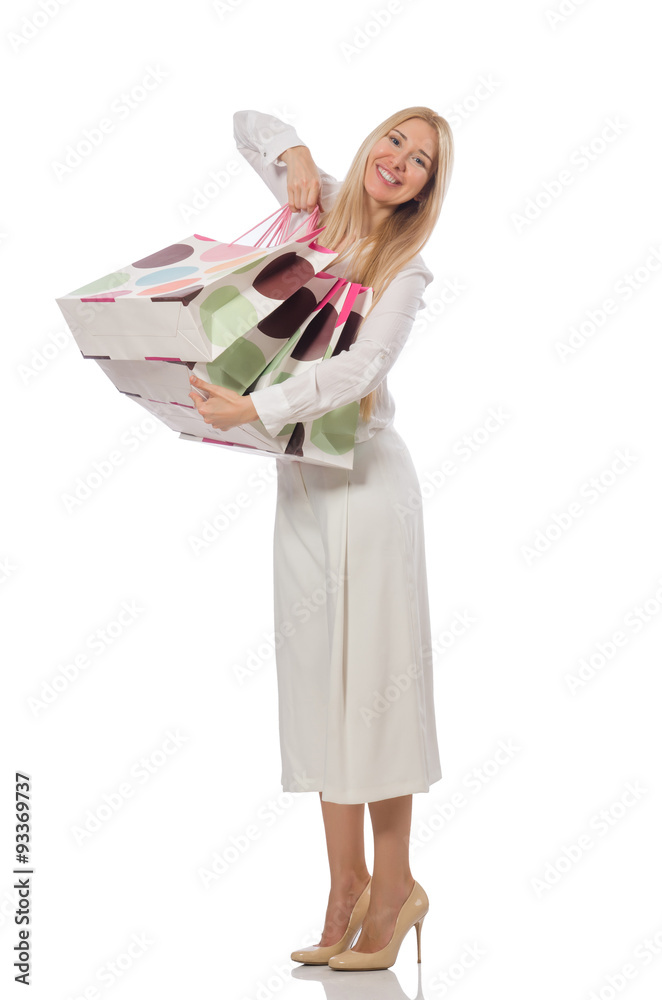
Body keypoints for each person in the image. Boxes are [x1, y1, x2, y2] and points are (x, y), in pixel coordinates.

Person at [189, 107, 454, 972]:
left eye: (420, 161)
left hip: (368, 485)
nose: (400, 161)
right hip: (302, 480)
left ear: (426, 189)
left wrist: (255, 407)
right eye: (396, 141)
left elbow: (361, 369)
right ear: (374, 141)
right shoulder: (318, 209)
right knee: (318, 686)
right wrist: (292, 150)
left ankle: (396, 889)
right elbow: (246, 122)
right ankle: (345, 888)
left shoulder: (405, 269)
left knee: (375, 689)